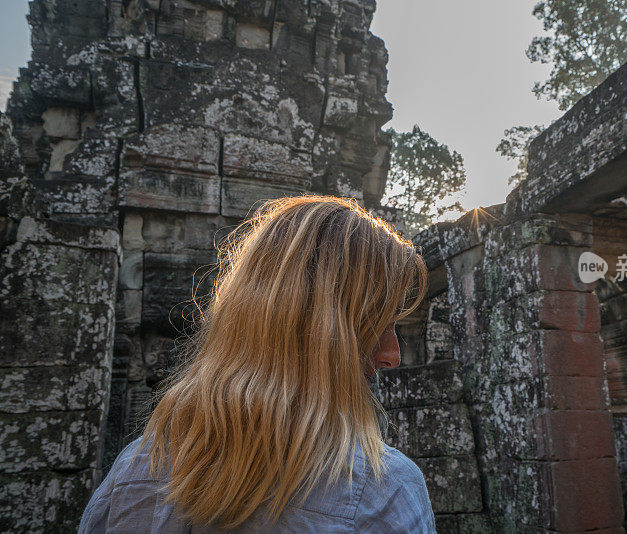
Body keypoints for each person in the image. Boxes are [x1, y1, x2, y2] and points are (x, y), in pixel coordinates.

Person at [79, 196, 436, 533]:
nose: (393, 355)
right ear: (320, 333)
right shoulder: (383, 493)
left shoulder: (132, 471)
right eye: (376, 325)